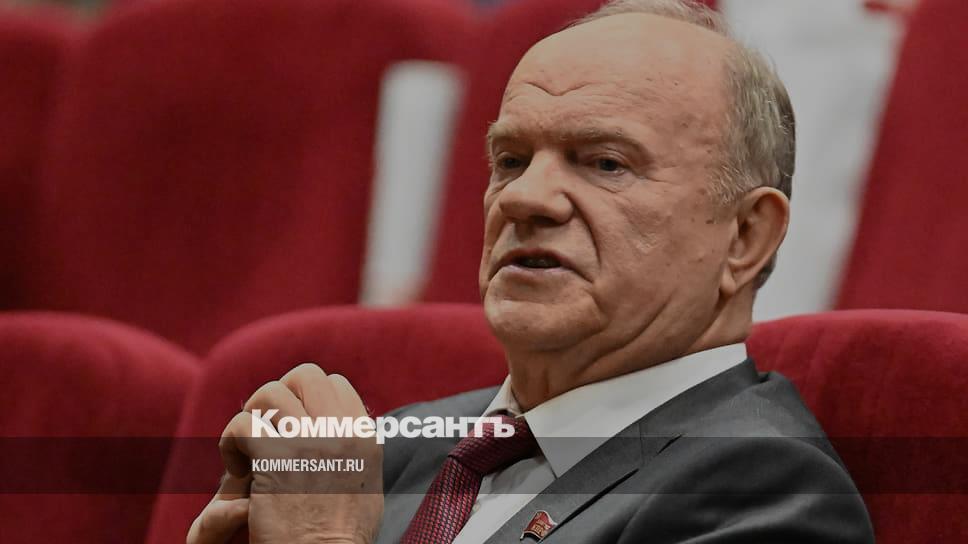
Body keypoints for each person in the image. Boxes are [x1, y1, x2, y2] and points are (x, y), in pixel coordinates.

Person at [188, 0, 874, 542]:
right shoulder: (394, 447)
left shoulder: (765, 491)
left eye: (605, 162)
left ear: (746, 236)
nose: (523, 198)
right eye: (511, 160)